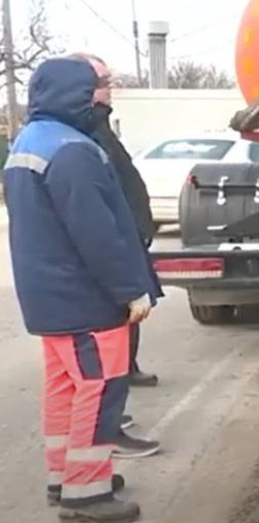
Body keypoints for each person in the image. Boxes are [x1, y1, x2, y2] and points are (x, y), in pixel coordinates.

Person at [4, 56, 160, 523]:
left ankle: (64, 475)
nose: (103, 95)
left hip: (51, 297)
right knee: (98, 389)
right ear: (76, 93)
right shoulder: (73, 149)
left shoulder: (31, 141)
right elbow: (98, 234)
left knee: (65, 389)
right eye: (98, 86)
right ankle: (86, 494)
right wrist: (131, 289)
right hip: (86, 300)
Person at [69, 53, 161, 389]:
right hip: (115, 236)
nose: (109, 89)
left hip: (129, 231)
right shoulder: (82, 131)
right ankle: (108, 389)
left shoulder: (100, 123)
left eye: (108, 81)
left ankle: (125, 367)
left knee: (128, 312)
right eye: (102, 83)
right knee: (114, 308)